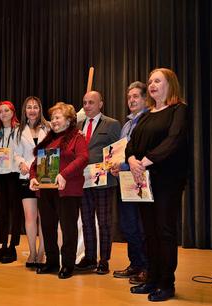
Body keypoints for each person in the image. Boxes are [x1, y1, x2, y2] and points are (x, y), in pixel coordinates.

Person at [126, 68, 187, 302]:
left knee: (164, 231)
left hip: (167, 181)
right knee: (149, 232)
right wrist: (131, 159)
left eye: (157, 81)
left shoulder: (178, 109)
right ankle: (151, 277)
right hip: (144, 181)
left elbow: (174, 140)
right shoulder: (148, 114)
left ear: (169, 84)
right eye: (150, 81)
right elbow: (131, 143)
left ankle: (166, 283)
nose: (151, 85)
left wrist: (144, 161)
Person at [29, 102, 88, 278]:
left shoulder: (77, 137)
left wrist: (64, 175)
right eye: (52, 118)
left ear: (69, 120)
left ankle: (68, 264)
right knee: (47, 228)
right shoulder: (48, 140)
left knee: (68, 228)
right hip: (46, 190)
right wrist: (33, 177)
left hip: (67, 190)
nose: (53, 121)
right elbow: (35, 164)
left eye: (57, 117)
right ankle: (52, 262)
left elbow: (83, 158)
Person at [75, 91, 121, 274]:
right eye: (84, 102)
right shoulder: (77, 125)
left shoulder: (112, 124)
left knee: (104, 221)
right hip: (82, 180)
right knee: (86, 221)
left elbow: (118, 150)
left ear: (100, 104)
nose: (87, 106)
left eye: (91, 102)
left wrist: (113, 166)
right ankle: (90, 258)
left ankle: (104, 260)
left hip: (104, 181)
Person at [110, 82, 149, 283]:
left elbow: (143, 152)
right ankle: (135, 264)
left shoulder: (149, 120)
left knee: (143, 226)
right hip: (124, 180)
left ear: (145, 99)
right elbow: (120, 153)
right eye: (129, 97)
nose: (131, 100)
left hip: (141, 179)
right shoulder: (126, 125)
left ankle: (147, 267)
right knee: (128, 225)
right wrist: (116, 166)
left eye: (136, 96)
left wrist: (125, 164)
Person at [14, 96, 48, 267]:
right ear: (25, 110)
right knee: (30, 216)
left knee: (44, 217)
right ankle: (32, 252)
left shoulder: (48, 127)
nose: (32, 110)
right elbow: (15, 152)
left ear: (40, 109)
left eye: (35, 107)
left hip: (45, 176)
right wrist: (20, 162)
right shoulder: (18, 130)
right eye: (29, 107)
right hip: (26, 177)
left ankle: (42, 252)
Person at [0, 101, 23, 264]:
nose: (3, 114)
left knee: (15, 211)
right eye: (0, 111)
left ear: (12, 112)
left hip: (14, 174)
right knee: (1, 211)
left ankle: (13, 247)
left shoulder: (20, 130)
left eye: (6, 110)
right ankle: (2, 245)